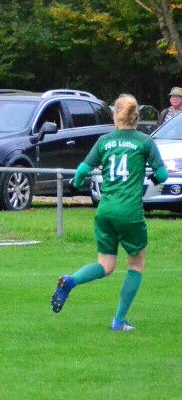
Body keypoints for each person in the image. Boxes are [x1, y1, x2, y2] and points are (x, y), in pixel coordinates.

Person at [51, 94, 168, 331]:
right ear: (137, 117)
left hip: (105, 211)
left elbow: (82, 170)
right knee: (136, 264)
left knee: (105, 265)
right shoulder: (144, 142)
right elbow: (162, 175)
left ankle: (71, 280)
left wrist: (76, 183)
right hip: (130, 212)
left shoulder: (104, 141)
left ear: (116, 115)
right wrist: (152, 180)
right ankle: (119, 321)